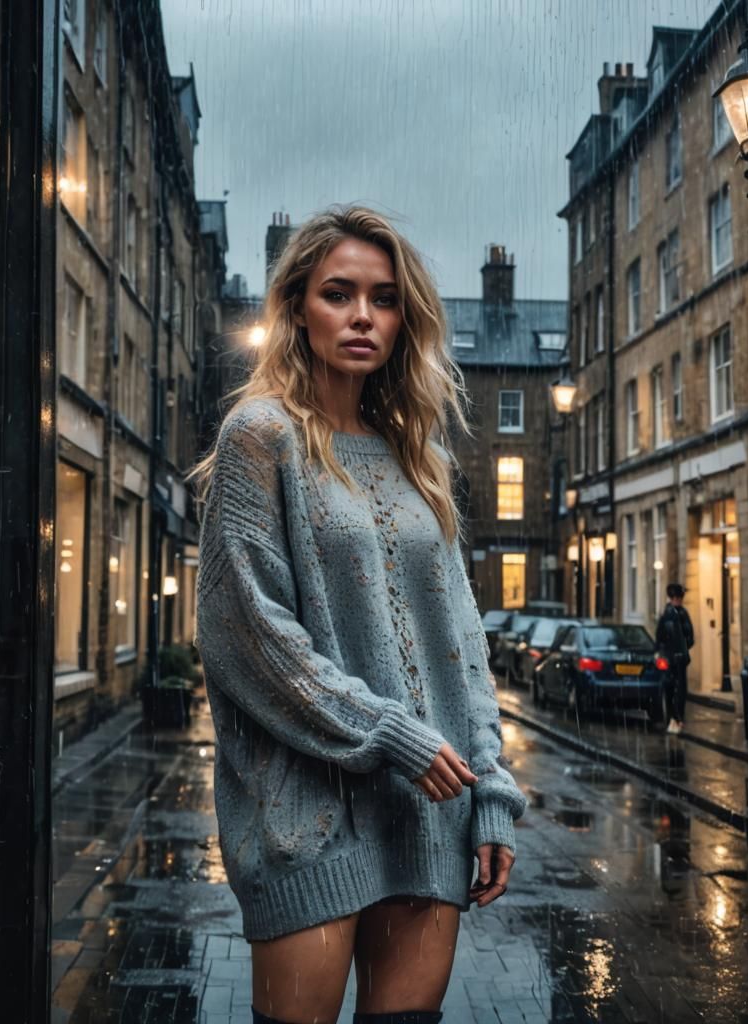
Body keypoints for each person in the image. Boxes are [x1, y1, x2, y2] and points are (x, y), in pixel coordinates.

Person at [187, 205, 527, 1024]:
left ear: (405, 316)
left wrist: (493, 790)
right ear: (299, 305)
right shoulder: (259, 437)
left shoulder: (422, 457)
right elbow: (248, 638)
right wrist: (390, 733)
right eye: (339, 293)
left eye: (383, 297)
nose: (363, 316)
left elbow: (462, 648)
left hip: (429, 816)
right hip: (308, 816)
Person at [655, 582, 695, 734]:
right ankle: (673, 718)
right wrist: (665, 651)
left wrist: (681, 648)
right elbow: (660, 637)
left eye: (679, 598)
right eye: (676, 598)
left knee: (679, 690)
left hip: (678, 658)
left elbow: (690, 637)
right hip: (671, 659)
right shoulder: (668, 615)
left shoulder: (681, 614)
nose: (678, 601)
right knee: (671, 688)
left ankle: (678, 719)